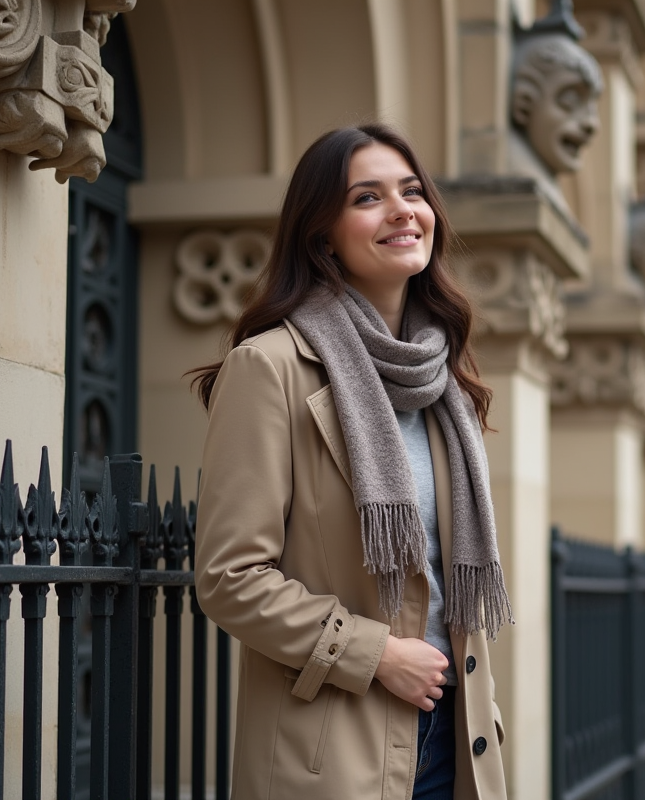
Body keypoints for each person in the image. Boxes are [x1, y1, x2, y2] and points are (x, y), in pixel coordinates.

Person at [190, 123, 511, 799]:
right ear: (322, 236)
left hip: (454, 737)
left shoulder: (443, 384)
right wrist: (376, 654)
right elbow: (228, 577)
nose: (401, 210)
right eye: (368, 197)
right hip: (334, 750)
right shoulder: (271, 367)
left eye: (412, 192)